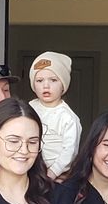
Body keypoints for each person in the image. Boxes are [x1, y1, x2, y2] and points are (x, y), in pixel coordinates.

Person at [29, 51, 81, 179]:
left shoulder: (68, 117)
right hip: (28, 171)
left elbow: (70, 151)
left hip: (53, 176)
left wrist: (52, 173)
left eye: (53, 80)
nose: (46, 85)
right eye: (39, 80)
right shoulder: (28, 108)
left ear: (63, 85)